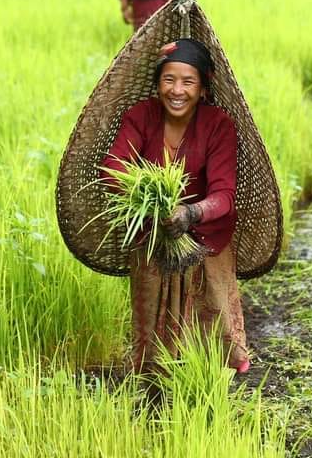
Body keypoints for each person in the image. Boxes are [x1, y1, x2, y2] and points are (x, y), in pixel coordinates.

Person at [101, 38, 248, 374]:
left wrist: (190, 213)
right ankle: (157, 386)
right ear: (157, 84)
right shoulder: (140, 117)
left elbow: (224, 195)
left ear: (203, 88)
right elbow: (113, 168)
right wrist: (153, 200)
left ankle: (206, 387)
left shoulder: (217, 125)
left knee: (208, 334)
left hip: (204, 241)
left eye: (188, 81)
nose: (177, 90)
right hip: (153, 239)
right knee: (155, 332)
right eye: (168, 80)